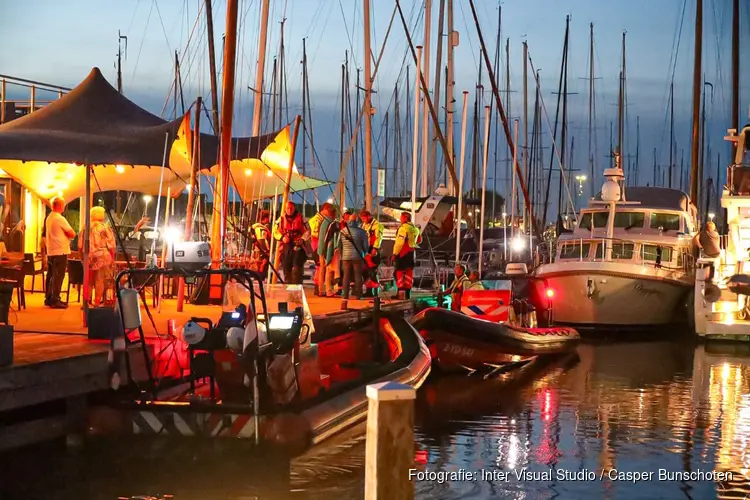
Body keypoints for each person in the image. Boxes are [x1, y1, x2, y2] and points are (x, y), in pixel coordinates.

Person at [80, 206, 116, 306]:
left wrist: (82, 257)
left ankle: (86, 303)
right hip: (103, 256)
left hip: (89, 256)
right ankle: (96, 302)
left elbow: (79, 245)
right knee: (100, 280)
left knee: (88, 280)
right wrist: (112, 258)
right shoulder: (105, 227)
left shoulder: (85, 227)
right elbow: (112, 245)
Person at [45, 197, 75, 308]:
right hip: (60, 250)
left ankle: (48, 297)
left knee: (51, 275)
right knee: (58, 275)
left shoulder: (49, 217)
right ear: (59, 206)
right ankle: (55, 299)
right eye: (63, 204)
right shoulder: (59, 218)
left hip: (51, 250)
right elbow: (72, 233)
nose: (64, 207)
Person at [272, 201, 310, 284]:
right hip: (286, 246)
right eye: (287, 208)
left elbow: (308, 230)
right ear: (285, 209)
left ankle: (297, 289)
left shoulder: (301, 218)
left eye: (291, 208)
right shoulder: (281, 219)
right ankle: (288, 288)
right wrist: (282, 238)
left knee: (297, 269)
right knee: (286, 269)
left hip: (298, 245)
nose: (289, 210)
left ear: (294, 208)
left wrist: (302, 239)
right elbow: (275, 231)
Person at [339, 215, 369, 305]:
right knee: (358, 275)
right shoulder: (362, 232)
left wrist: (343, 254)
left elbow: (338, 245)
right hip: (358, 256)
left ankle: (345, 295)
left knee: (346, 275)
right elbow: (365, 247)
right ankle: (359, 295)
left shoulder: (342, 231)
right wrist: (364, 252)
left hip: (346, 257)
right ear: (357, 221)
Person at [392, 212, 422, 299]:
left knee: (399, 273)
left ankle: (401, 294)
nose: (400, 219)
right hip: (412, 253)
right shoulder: (415, 228)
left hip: (403, 253)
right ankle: (408, 294)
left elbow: (399, 243)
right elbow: (419, 240)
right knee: (409, 274)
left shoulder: (403, 228)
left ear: (405, 218)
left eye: (401, 218)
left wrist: (395, 254)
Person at [359, 210, 384, 297]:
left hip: (373, 249)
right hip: (366, 249)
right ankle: (369, 291)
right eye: (361, 219)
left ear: (369, 216)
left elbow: (378, 238)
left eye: (363, 218)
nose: (363, 220)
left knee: (372, 270)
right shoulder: (364, 225)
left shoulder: (377, 225)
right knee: (365, 270)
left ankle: (375, 291)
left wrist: (375, 248)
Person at [309, 203, 332, 295]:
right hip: (318, 245)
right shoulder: (316, 219)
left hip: (320, 245)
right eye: (328, 210)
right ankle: (318, 287)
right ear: (324, 209)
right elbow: (315, 233)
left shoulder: (323, 219)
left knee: (322, 268)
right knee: (320, 267)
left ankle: (319, 287)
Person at [317, 205, 338, 296]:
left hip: (320, 249)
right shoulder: (331, 223)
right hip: (326, 249)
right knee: (329, 270)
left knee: (322, 270)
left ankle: (321, 290)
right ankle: (329, 290)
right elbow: (330, 238)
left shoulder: (323, 222)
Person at [250, 210, 271, 276]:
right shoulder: (261, 229)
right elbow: (262, 241)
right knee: (261, 273)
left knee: (258, 274)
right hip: (261, 253)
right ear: (266, 218)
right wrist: (267, 252)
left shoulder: (255, 228)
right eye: (268, 217)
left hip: (257, 252)